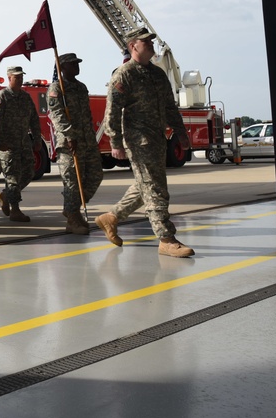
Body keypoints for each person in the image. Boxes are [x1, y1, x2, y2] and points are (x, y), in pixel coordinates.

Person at [94, 28, 195, 258]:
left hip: (158, 138)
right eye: (145, 41)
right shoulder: (124, 75)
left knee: (146, 185)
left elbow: (170, 107)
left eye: (151, 40)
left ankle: (111, 217)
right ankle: (166, 239)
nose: (151, 44)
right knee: (156, 188)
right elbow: (112, 112)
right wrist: (115, 143)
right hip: (138, 140)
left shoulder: (158, 75)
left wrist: (181, 134)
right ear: (133, 46)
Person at [47, 52, 104, 235]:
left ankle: (72, 208)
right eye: (72, 64)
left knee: (95, 176)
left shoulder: (81, 87)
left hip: (87, 141)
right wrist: (70, 135)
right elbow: (57, 115)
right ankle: (72, 219)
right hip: (69, 143)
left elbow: (87, 115)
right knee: (72, 182)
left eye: (77, 63)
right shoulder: (57, 88)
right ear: (62, 67)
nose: (76, 66)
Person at [0, 65, 40, 223]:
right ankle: (15, 210)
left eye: (21, 77)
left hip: (24, 143)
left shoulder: (25, 97)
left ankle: (6, 195)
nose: (20, 79)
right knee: (12, 176)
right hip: (8, 144)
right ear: (9, 77)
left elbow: (34, 119)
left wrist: (37, 139)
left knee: (28, 172)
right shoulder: (1, 96)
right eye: (16, 77)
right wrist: (0, 141)